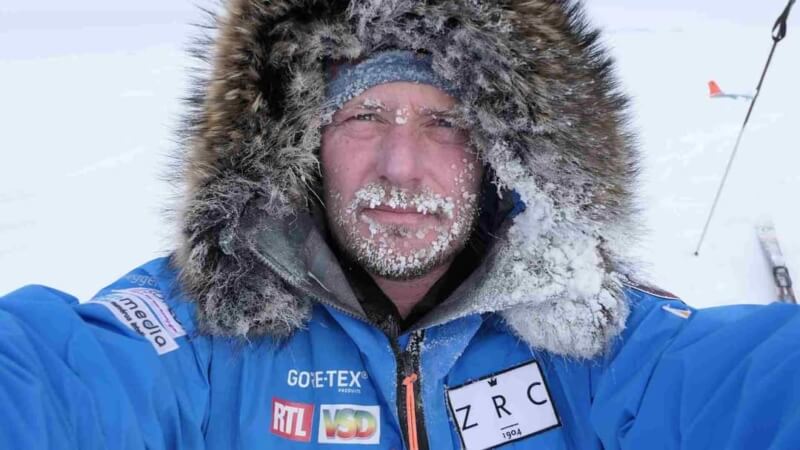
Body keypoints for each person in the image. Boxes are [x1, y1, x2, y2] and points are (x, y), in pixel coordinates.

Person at [2, 1, 799, 449]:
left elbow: (738, 383)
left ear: (501, 156)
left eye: (445, 123)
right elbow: (61, 377)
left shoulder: (592, 344)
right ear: (301, 144)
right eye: (364, 115)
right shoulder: (206, 335)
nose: (400, 166)